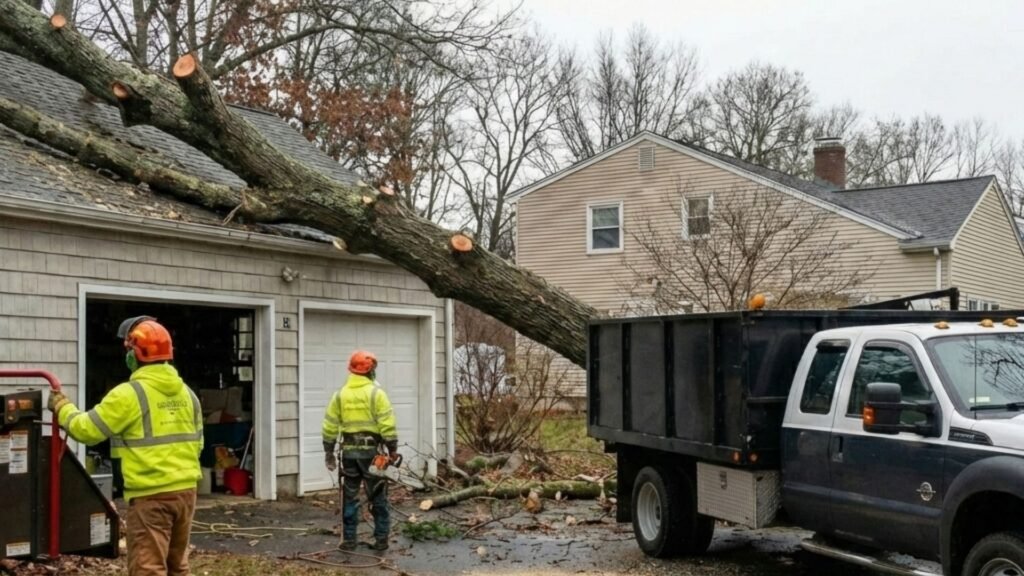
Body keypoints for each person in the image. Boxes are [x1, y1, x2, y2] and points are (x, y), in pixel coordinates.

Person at [47, 316, 202, 576]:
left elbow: (86, 430)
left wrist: (62, 408)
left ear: (136, 353)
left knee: (147, 568)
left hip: (150, 497)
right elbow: (198, 444)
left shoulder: (129, 394)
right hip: (186, 493)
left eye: (129, 349)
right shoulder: (188, 394)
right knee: (177, 566)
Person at [322, 350, 399, 551]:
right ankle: (381, 539)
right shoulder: (376, 394)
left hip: (349, 455)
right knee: (378, 496)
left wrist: (328, 452)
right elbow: (387, 425)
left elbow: (329, 426)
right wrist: (392, 450)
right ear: (370, 371)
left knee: (350, 496)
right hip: (372, 456)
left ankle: (349, 541)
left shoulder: (339, 395)